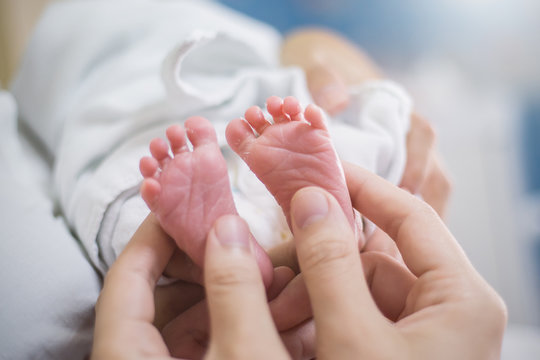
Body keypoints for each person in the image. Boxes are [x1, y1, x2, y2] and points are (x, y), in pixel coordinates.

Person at [92, 162, 506, 359]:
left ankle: (196, 249)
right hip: (305, 271)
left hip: (287, 256)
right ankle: (344, 219)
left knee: (123, 204)